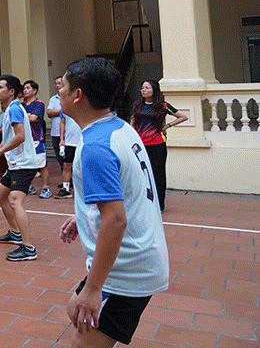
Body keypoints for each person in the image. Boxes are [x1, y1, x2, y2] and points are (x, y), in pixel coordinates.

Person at [58, 58, 169, 347]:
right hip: (135, 258)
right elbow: (125, 191)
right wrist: (84, 216)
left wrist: (94, 288)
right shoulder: (118, 126)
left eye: (63, 86)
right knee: (74, 308)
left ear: (78, 95)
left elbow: (116, 219)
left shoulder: (95, 147)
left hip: (126, 271)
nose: (59, 90)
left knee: (82, 331)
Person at [0, 75, 39, 261]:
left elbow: (20, 136)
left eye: (1, 87)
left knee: (15, 201)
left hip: (24, 164)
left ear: (11, 92)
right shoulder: (9, 110)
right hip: (15, 163)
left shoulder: (15, 108)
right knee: (1, 194)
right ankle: (15, 233)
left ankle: (28, 248)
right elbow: (9, 137)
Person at [130, 80, 188, 212]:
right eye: (142, 88)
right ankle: (144, 202)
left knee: (158, 174)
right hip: (141, 146)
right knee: (140, 174)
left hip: (157, 145)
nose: (143, 90)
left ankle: (159, 204)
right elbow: (132, 123)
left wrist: (168, 126)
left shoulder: (163, 106)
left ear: (154, 90)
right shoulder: (137, 105)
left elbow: (183, 117)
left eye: (147, 88)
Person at [23, 80, 51, 198]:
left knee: (42, 165)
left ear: (34, 90)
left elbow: (34, 118)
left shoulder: (39, 103)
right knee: (27, 164)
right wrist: (27, 116)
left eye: (28, 88)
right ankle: (29, 186)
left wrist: (26, 116)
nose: (25, 90)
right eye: (24, 88)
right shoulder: (22, 105)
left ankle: (46, 188)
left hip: (37, 138)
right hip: (25, 139)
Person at [55, 109, 81, 199]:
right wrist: (62, 139)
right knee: (66, 165)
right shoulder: (65, 107)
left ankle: (84, 190)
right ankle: (66, 189)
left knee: (82, 166)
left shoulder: (87, 104)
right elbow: (62, 122)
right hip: (69, 141)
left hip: (83, 141)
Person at [47, 75, 65, 178]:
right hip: (55, 132)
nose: (57, 85)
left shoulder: (69, 96)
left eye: (60, 83)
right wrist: (63, 111)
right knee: (59, 158)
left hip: (68, 133)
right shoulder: (53, 99)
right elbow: (49, 112)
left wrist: (55, 112)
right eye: (56, 83)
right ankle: (65, 180)